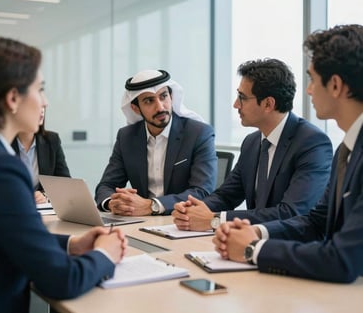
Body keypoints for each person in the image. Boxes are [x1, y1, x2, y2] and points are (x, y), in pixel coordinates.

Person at [213, 24, 363, 283]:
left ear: (336, 85)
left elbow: (342, 259)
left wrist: (252, 249)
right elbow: (316, 221)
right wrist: (256, 233)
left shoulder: (324, 144)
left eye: (313, 80)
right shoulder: (346, 148)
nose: (308, 90)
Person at [0, 37, 127, 313]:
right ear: (13, 98)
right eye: (40, 89)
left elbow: (6, 234)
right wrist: (105, 254)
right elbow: (61, 280)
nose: (45, 102)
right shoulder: (1, 169)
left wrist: (72, 244)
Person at [172, 58, 333, 231]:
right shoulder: (252, 142)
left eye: (242, 97)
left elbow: (291, 213)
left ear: (268, 104)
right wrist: (193, 209)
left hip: (290, 248)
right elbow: (226, 196)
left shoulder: (312, 143)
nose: (235, 104)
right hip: (251, 243)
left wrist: (215, 219)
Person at [95, 69, 217, 216]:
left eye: (163, 96)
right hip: (140, 220)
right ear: (135, 108)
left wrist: (152, 205)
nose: (160, 107)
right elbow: (107, 185)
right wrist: (113, 203)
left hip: (180, 220)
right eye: (149, 101)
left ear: (171, 97)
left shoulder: (198, 133)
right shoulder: (127, 137)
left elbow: (201, 191)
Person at [11, 108, 71, 204]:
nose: (42, 109)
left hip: (42, 210)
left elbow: (65, 184)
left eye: (43, 106)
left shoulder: (52, 140)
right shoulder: (2, 143)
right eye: (38, 103)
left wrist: (45, 195)